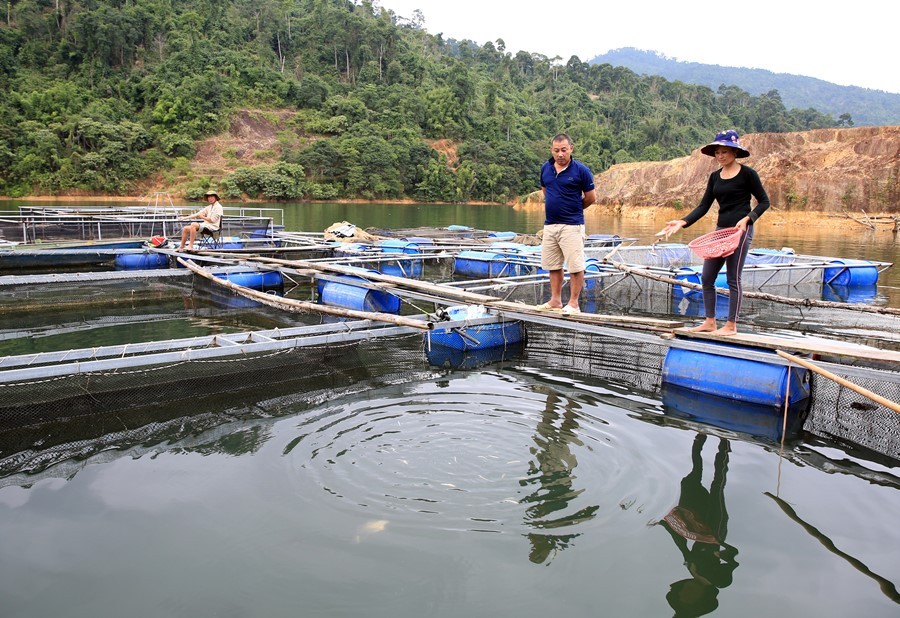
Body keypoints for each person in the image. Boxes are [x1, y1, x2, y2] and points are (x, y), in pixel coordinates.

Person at [659, 130, 770, 335]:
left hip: (740, 231)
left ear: (735, 152)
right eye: (717, 152)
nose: (720, 156)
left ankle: (731, 325)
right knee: (707, 276)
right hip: (721, 232)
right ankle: (710, 322)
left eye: (725, 151)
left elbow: (764, 201)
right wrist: (682, 222)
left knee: (733, 278)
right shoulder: (714, 177)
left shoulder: (748, 174)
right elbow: (703, 206)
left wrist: (748, 219)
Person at [536, 133, 597, 315]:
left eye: (564, 150)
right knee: (553, 264)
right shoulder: (545, 168)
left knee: (575, 265)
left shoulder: (581, 171)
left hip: (572, 225)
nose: (560, 154)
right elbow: (546, 190)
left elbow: (591, 198)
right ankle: (555, 300)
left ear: (571, 148)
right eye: (556, 150)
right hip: (550, 225)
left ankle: (573, 304)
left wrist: (574, 209)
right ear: (551, 150)